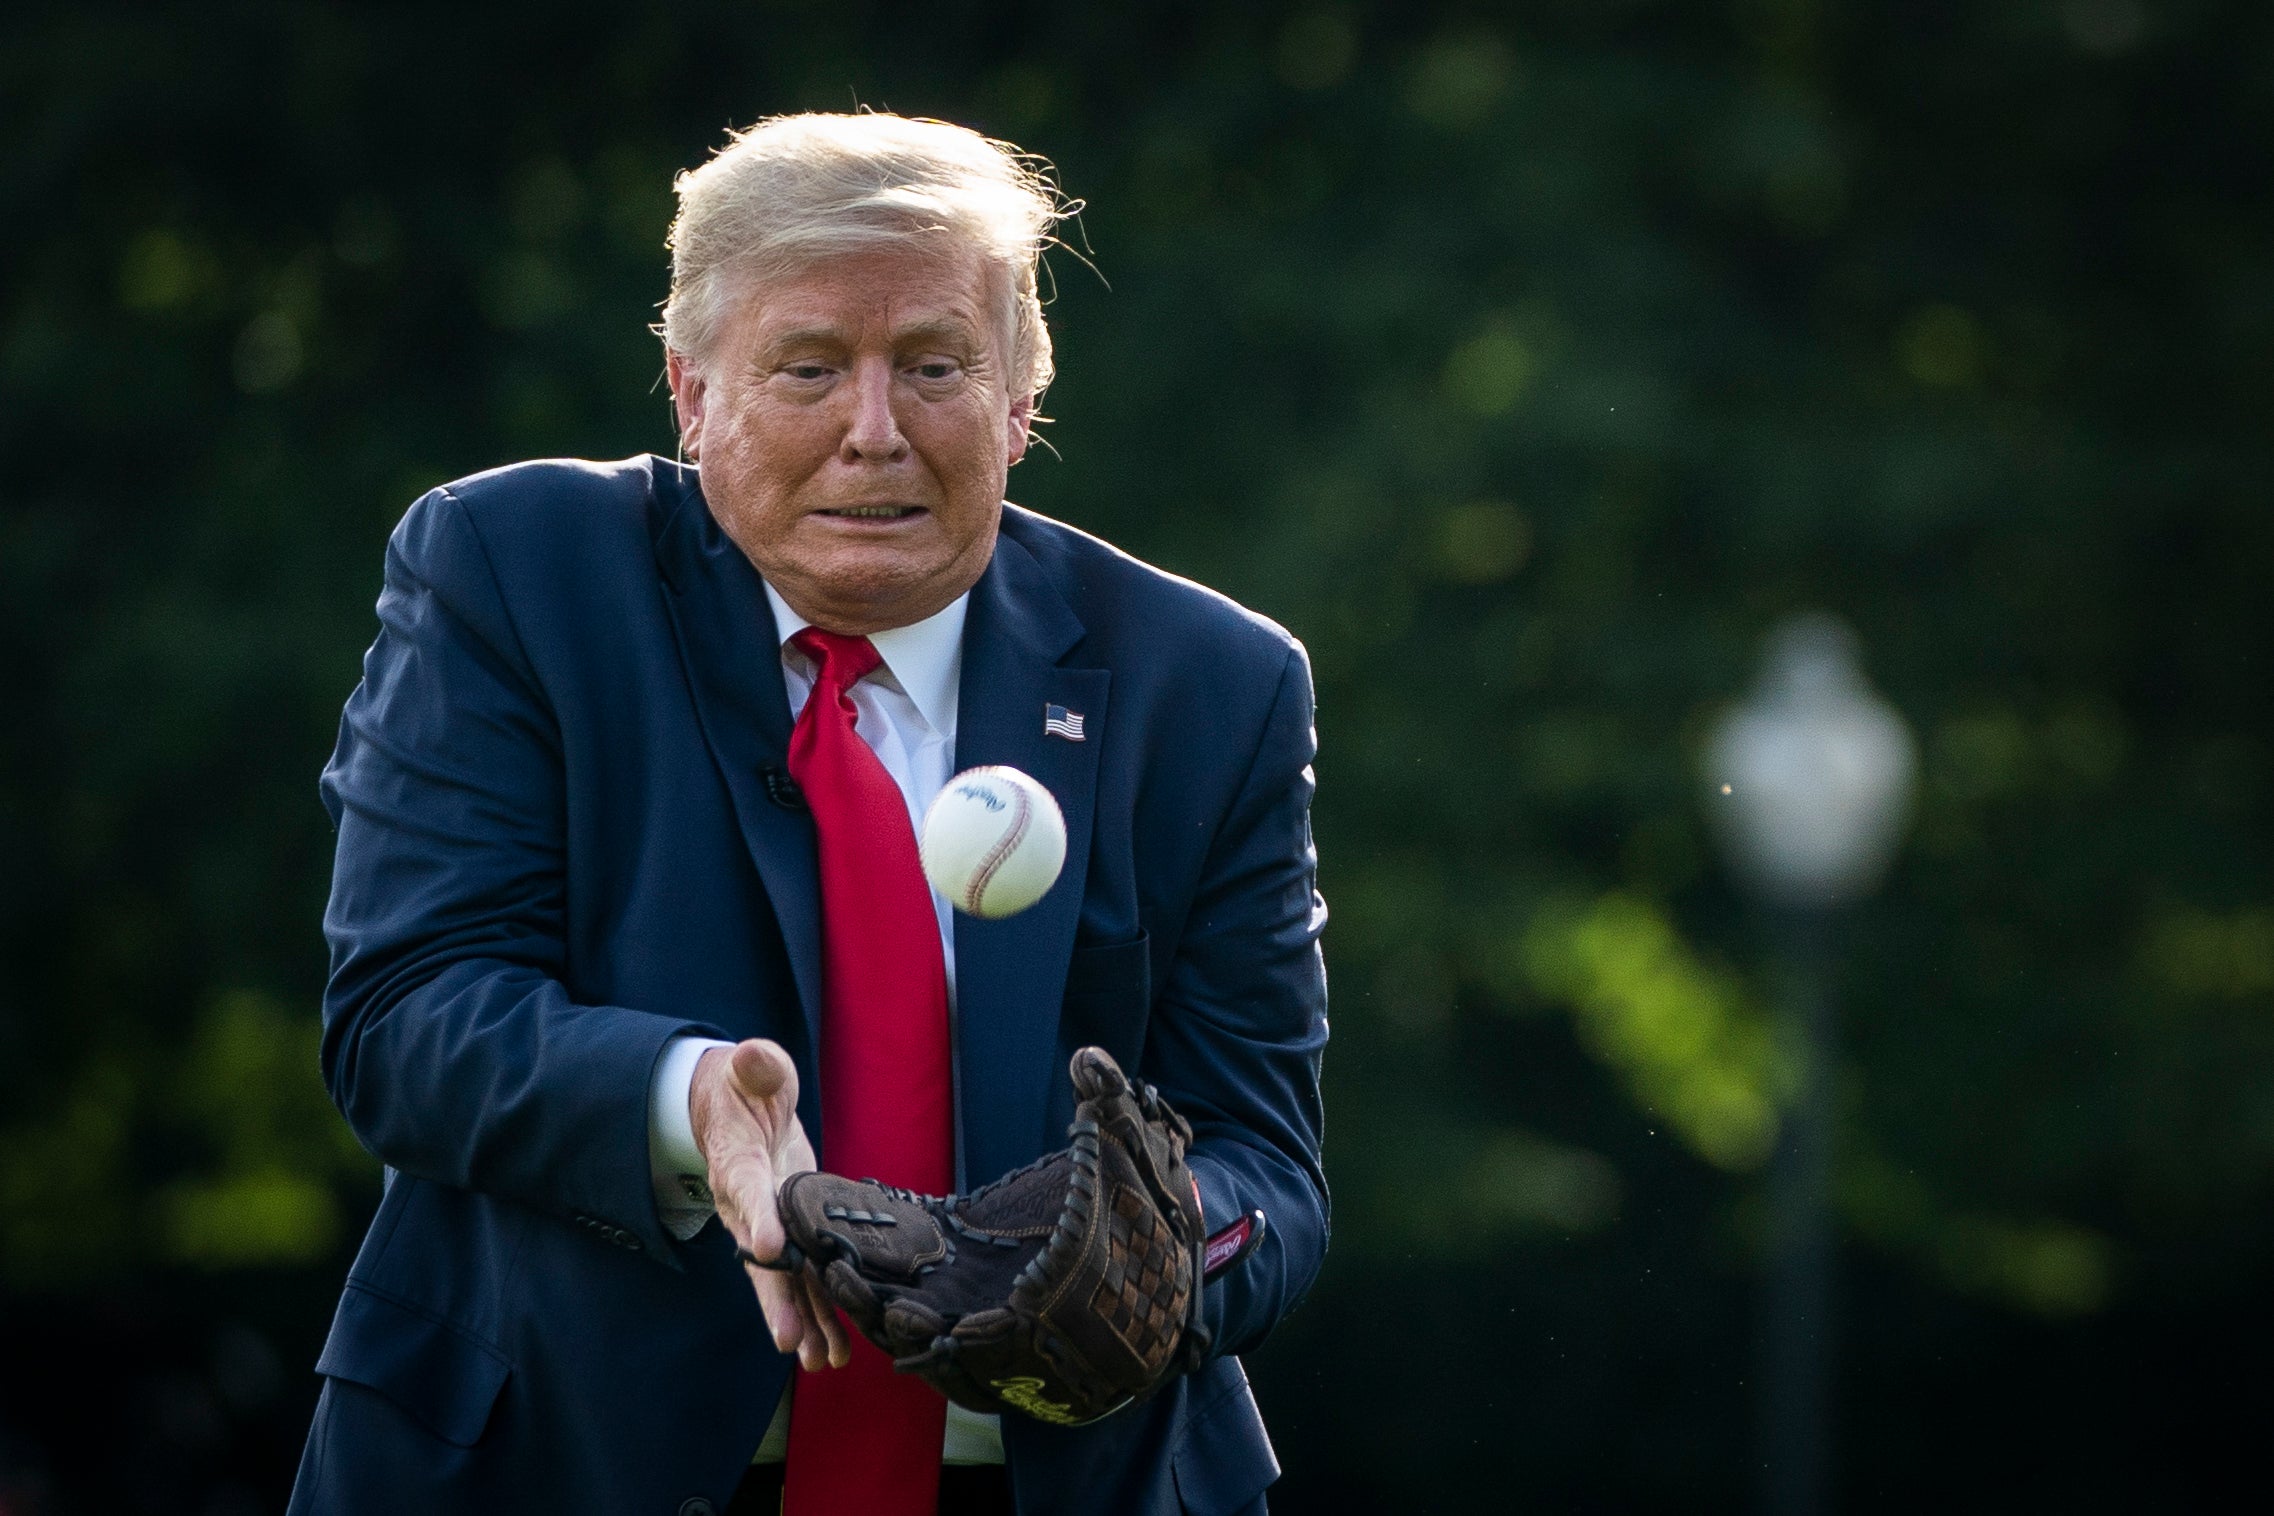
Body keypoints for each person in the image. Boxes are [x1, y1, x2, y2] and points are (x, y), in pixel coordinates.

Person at [288, 112, 1328, 1516]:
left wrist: (1155, 1256)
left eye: (934, 366)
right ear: (690, 392)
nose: (873, 431)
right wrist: (687, 1096)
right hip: (562, 1465)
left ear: (1023, 395)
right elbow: (406, 1020)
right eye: (809, 368)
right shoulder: (517, 573)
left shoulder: (1210, 685)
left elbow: (1266, 1164)